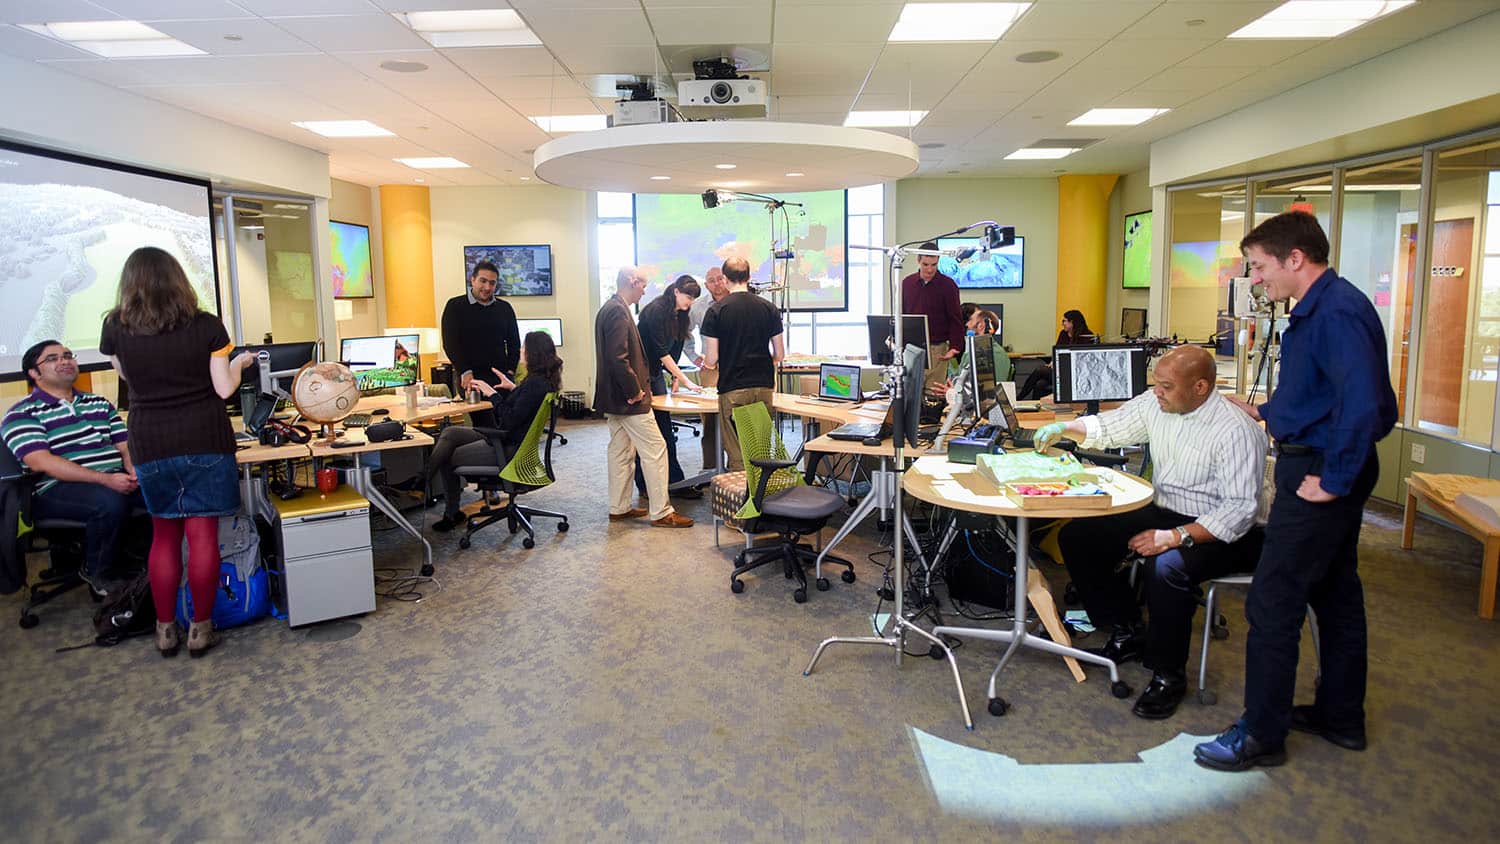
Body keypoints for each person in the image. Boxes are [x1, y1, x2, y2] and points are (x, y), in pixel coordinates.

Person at [1193, 211, 1396, 771]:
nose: (1255, 280)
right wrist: (1264, 410)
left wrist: (1334, 480)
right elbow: (1323, 395)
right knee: (1334, 592)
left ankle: (1260, 733)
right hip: (1322, 459)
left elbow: (1364, 405)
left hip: (1321, 473)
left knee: (1274, 599)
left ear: (1295, 259)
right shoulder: (1323, 309)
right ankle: (1340, 716)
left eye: (1259, 267)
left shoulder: (1335, 313)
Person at [1034, 345, 1268, 720]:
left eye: (1166, 386)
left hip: (1230, 531)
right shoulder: (1159, 403)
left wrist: (1175, 537)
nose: (1157, 392)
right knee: (1080, 537)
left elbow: (1239, 511)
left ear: (1201, 388)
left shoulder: (1236, 431)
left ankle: (1167, 674)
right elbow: (1111, 426)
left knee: (1166, 568)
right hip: (1167, 507)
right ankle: (1126, 630)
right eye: (1156, 384)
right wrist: (1067, 428)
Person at [99, 246, 256, 659]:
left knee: (163, 536)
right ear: (179, 280)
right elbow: (223, 390)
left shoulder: (115, 327)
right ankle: (201, 630)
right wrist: (239, 364)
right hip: (203, 435)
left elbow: (125, 376)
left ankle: (164, 629)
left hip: (150, 438)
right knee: (201, 534)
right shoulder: (206, 325)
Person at [2, 340, 144, 595]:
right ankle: (98, 571)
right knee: (109, 502)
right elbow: (42, 462)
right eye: (53, 358)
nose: (65, 361)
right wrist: (105, 480)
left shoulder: (99, 403)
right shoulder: (22, 414)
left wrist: (134, 471)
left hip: (113, 478)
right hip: (55, 488)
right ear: (34, 373)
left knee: (162, 492)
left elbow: (125, 446)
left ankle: (152, 571)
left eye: (68, 355)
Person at [427, 331, 562, 533]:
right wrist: (513, 388)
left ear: (533, 353)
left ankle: (449, 510)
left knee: (447, 454)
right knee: (451, 433)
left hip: (507, 447)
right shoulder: (542, 381)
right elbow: (524, 409)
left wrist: (492, 394)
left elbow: (507, 420)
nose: (521, 351)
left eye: (524, 348)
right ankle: (424, 480)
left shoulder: (534, 384)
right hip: (511, 442)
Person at [594, 266, 694, 529]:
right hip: (629, 401)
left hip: (614, 400)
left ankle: (619, 507)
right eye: (643, 285)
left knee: (621, 452)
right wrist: (634, 390)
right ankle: (661, 511)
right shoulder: (618, 310)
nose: (645, 290)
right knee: (656, 449)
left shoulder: (611, 307)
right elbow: (618, 358)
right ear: (631, 281)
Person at [701, 257, 784, 472]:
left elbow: (711, 359)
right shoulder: (769, 308)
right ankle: (763, 499)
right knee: (761, 449)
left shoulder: (716, 311)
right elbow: (780, 354)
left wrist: (710, 366)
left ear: (726, 279)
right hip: (764, 386)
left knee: (738, 453)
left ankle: (743, 502)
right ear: (749, 277)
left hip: (733, 387)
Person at [634, 275, 703, 499]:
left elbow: (676, 345)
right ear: (675, 291)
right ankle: (646, 484)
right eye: (687, 296)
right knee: (648, 431)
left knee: (664, 431)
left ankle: (675, 482)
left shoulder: (680, 314)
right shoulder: (655, 311)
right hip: (641, 374)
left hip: (656, 373)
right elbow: (660, 350)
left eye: (693, 298)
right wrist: (686, 380)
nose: (690, 302)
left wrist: (673, 378)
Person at [441, 260, 522, 426]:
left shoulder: (504, 308)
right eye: (483, 281)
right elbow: (450, 343)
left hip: (500, 379)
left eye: (492, 283)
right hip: (472, 379)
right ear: (473, 280)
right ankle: (486, 451)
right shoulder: (455, 306)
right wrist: (465, 371)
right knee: (485, 426)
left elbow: (514, 343)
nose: (487, 287)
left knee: (505, 423)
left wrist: (510, 371)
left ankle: (503, 452)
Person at [901, 243, 964, 389]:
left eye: (934, 265)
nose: (929, 269)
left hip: (938, 349)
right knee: (910, 395)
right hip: (912, 349)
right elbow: (904, 315)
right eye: (925, 264)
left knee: (933, 396)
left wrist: (955, 347)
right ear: (918, 260)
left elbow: (955, 318)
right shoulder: (907, 283)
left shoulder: (948, 285)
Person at [685, 265, 730, 469]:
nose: (717, 283)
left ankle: (738, 469)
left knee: (736, 418)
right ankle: (710, 468)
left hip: (736, 368)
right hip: (710, 369)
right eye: (711, 280)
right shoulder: (699, 306)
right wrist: (694, 356)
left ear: (726, 279)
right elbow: (684, 333)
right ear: (706, 285)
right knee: (710, 422)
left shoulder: (738, 300)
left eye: (720, 278)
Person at [1017, 309, 1095, 401]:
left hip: (1074, 374)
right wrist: (1053, 361)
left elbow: (1085, 360)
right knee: (1040, 384)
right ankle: (1036, 408)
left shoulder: (1087, 336)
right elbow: (1057, 350)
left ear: (1072, 322)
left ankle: (1019, 398)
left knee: (1039, 370)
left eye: (1064, 321)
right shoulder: (1063, 334)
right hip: (1060, 371)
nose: (1063, 324)